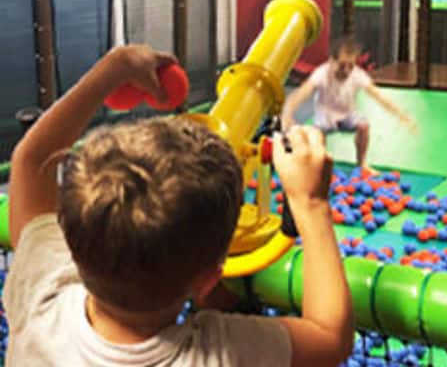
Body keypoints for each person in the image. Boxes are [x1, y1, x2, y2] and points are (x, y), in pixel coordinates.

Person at [4, 45, 354, 366]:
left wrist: (114, 67)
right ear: (208, 282)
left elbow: (31, 159)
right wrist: (311, 205)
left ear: (72, 242)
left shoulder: (41, 296)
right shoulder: (220, 352)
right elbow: (330, 337)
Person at [282, 38, 416, 172]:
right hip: (326, 116)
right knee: (317, 135)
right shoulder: (322, 73)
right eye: (342, 65)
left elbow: (378, 96)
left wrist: (401, 114)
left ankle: (362, 163)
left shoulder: (357, 74)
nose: (346, 70)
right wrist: (287, 114)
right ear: (331, 61)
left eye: (351, 65)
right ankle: (319, 164)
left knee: (364, 126)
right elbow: (301, 93)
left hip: (347, 115)